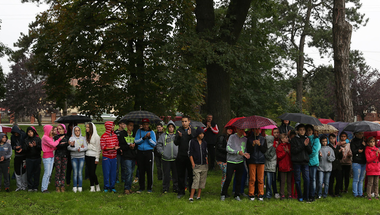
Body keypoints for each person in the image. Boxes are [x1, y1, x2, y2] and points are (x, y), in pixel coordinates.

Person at [221, 127, 250, 201]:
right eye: (240, 129)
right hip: (231, 161)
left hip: (240, 161)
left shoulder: (245, 139)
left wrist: (246, 154)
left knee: (239, 179)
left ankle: (237, 194)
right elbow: (228, 148)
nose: (241, 131)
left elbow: (245, 149)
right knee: (229, 178)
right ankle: (223, 194)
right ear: (237, 130)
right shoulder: (232, 137)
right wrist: (237, 152)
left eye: (243, 129)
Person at [174, 116, 196, 198]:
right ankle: (181, 192)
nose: (184, 123)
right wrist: (179, 137)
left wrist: (190, 135)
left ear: (189, 121)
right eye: (183, 121)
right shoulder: (179, 130)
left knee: (191, 175)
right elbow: (176, 142)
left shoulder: (193, 130)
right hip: (181, 156)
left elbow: (195, 142)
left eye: (185, 121)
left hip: (190, 156)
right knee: (181, 175)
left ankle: (192, 191)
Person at [290, 124, 312, 202]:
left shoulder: (307, 139)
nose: (302, 131)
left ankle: (306, 196)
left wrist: (306, 145)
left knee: (307, 179)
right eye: (300, 130)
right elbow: (294, 151)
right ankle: (300, 196)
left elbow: (310, 151)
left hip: (305, 162)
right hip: (297, 162)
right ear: (298, 131)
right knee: (298, 180)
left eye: (303, 130)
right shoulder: (294, 139)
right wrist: (303, 145)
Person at [135, 118, 156, 193]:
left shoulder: (152, 132)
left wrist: (149, 138)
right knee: (141, 170)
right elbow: (136, 141)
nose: (145, 126)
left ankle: (149, 188)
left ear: (148, 125)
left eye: (147, 124)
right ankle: (141, 187)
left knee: (149, 170)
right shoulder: (139, 131)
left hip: (148, 152)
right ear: (142, 125)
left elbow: (154, 144)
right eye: (144, 124)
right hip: (140, 152)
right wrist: (144, 138)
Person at [156, 120, 178, 194]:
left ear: (174, 128)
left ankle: (175, 187)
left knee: (175, 174)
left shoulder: (177, 135)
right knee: (166, 174)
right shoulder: (163, 136)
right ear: (167, 128)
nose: (171, 128)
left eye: (172, 127)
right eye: (169, 127)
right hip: (166, 159)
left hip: (175, 158)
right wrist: (162, 152)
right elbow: (158, 145)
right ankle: (165, 188)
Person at [42, 125, 64, 193]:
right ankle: (43, 188)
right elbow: (53, 144)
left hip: (51, 156)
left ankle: (45, 188)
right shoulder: (45, 137)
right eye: (51, 130)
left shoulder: (50, 137)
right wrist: (60, 139)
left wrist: (60, 145)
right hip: (47, 157)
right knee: (47, 173)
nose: (52, 131)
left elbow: (52, 147)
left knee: (49, 173)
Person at [247, 128, 267, 201]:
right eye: (255, 129)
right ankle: (251, 194)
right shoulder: (249, 139)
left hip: (261, 160)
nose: (256, 131)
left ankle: (260, 194)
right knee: (252, 178)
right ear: (253, 130)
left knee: (260, 179)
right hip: (252, 160)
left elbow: (264, 150)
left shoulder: (263, 139)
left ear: (260, 130)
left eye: (258, 129)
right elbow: (248, 150)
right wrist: (253, 145)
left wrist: (259, 145)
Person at [189, 127, 208, 201]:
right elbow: (190, 153)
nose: (202, 135)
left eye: (203, 134)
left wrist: (206, 161)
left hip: (204, 164)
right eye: (200, 133)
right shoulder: (192, 142)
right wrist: (193, 163)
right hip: (196, 164)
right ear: (197, 134)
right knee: (196, 180)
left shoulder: (204, 143)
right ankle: (191, 196)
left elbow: (206, 153)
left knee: (202, 181)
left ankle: (198, 196)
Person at [101, 121, 119, 193]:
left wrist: (117, 147)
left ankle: (112, 186)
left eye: (113, 126)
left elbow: (117, 143)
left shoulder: (115, 136)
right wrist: (112, 148)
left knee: (113, 172)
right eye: (112, 126)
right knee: (106, 172)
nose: (113, 127)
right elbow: (103, 147)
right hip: (106, 157)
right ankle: (106, 187)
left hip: (114, 157)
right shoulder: (103, 136)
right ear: (108, 127)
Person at [119, 121, 137, 194]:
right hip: (126, 156)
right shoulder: (123, 134)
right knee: (128, 172)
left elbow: (137, 144)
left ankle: (129, 188)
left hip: (133, 156)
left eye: (132, 126)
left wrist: (134, 146)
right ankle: (126, 188)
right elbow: (121, 146)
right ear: (127, 126)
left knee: (131, 173)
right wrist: (128, 146)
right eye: (130, 125)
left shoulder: (134, 134)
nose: (131, 127)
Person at [68, 126, 87, 193]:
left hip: (81, 157)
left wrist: (81, 149)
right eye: (75, 130)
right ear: (74, 131)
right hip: (74, 157)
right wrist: (76, 148)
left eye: (78, 130)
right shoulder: (71, 138)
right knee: (75, 172)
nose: (77, 132)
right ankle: (75, 186)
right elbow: (69, 148)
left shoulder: (83, 138)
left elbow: (85, 147)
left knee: (80, 172)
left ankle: (80, 186)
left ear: (80, 131)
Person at [305, 124, 320, 202]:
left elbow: (314, 151)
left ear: (313, 131)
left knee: (313, 179)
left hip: (313, 161)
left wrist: (306, 156)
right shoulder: (305, 139)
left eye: (310, 131)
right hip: (306, 162)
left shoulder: (316, 139)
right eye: (307, 131)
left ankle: (312, 194)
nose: (308, 132)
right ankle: (307, 194)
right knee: (307, 179)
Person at [24, 127, 42, 192]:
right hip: (29, 159)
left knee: (37, 173)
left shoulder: (37, 139)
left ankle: (35, 186)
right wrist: (29, 147)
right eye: (29, 132)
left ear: (34, 132)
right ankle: (30, 186)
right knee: (29, 173)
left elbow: (41, 148)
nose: (30, 133)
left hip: (37, 158)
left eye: (31, 131)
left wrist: (36, 145)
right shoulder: (26, 140)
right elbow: (24, 149)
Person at [85, 122, 101, 192]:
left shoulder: (97, 137)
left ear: (91, 128)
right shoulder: (86, 136)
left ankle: (97, 185)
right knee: (89, 172)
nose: (86, 128)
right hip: (87, 155)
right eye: (86, 127)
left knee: (92, 172)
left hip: (94, 156)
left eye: (88, 127)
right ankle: (92, 187)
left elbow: (98, 148)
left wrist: (97, 158)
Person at [11, 125, 27, 191]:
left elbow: (26, 144)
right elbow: (12, 146)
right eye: (15, 133)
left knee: (23, 170)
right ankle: (19, 185)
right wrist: (15, 147)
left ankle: (24, 185)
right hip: (17, 156)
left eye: (17, 133)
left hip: (23, 155)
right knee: (17, 171)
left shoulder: (23, 135)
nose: (16, 134)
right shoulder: (12, 137)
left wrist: (22, 149)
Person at [54, 124, 69, 192]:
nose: (59, 130)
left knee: (63, 171)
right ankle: (57, 186)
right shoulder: (56, 137)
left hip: (65, 155)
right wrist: (62, 144)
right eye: (58, 129)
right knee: (58, 171)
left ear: (64, 129)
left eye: (60, 129)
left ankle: (62, 186)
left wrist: (63, 144)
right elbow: (56, 146)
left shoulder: (67, 137)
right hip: (58, 155)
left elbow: (68, 145)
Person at [276, 133, 292, 199]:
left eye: (287, 137)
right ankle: (282, 194)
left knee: (289, 181)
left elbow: (292, 155)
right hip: (283, 166)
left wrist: (288, 152)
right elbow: (279, 156)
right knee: (282, 181)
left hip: (289, 165)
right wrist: (284, 152)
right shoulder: (279, 147)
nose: (287, 139)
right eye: (286, 138)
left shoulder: (289, 145)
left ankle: (289, 194)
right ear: (282, 139)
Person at [351, 132, 366, 197]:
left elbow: (366, 151)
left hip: (363, 161)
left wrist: (364, 146)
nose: (361, 135)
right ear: (356, 134)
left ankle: (360, 193)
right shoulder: (353, 141)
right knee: (356, 178)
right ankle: (355, 193)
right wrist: (358, 150)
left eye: (362, 133)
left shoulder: (364, 141)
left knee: (361, 179)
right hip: (356, 161)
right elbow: (353, 151)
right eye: (360, 133)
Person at [365, 136, 380, 200]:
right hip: (370, 168)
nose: (372, 143)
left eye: (373, 141)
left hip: (377, 168)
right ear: (368, 143)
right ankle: (369, 195)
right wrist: (375, 156)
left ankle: (376, 195)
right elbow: (368, 160)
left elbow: (379, 159)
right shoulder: (367, 149)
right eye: (371, 142)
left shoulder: (377, 149)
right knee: (370, 183)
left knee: (376, 183)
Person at [66, 122, 77, 187]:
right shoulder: (68, 135)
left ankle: (77, 182)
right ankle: (68, 182)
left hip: (76, 153)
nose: (73, 128)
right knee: (69, 168)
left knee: (76, 169)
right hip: (69, 153)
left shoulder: (77, 134)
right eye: (72, 126)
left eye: (74, 126)